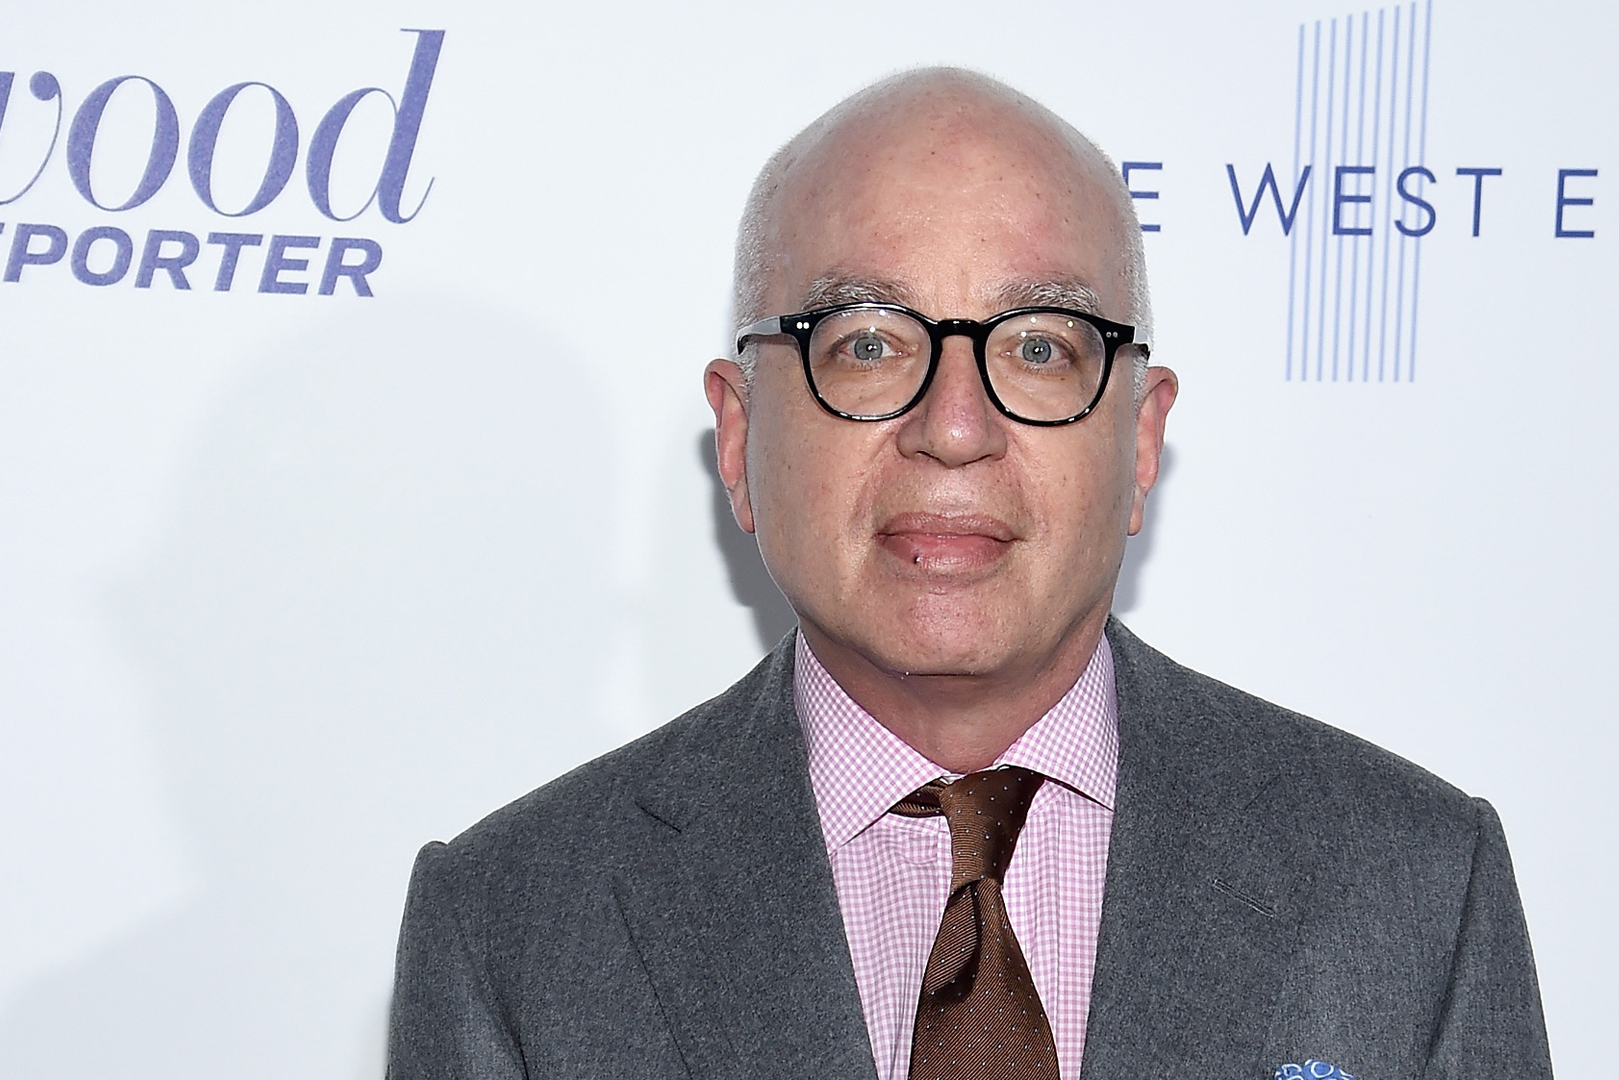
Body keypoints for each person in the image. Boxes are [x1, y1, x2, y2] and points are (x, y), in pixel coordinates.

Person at [388, 67, 1551, 1080]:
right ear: (740, 438)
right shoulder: (511, 927)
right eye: (867, 344)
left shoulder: (1412, 887)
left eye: (1040, 347)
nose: (953, 427)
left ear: (1139, 444)